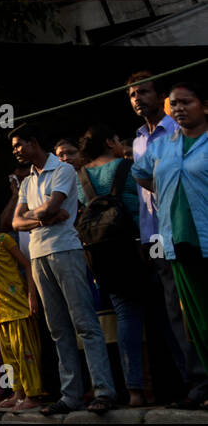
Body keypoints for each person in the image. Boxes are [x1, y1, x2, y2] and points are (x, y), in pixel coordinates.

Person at [11, 124, 116, 414]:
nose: (16, 151)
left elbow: (46, 209)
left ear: (34, 142)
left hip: (66, 251)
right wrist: (43, 218)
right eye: (14, 147)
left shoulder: (63, 170)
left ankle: (104, 391)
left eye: (20, 145)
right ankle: (70, 396)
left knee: (85, 323)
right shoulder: (27, 182)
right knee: (58, 329)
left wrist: (40, 215)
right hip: (38, 255)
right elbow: (16, 223)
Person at [129, 72, 208, 407]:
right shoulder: (161, 145)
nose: (178, 109)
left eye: (186, 102)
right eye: (173, 103)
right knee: (191, 317)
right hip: (174, 240)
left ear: (205, 106)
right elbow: (140, 173)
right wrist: (169, 192)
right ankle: (202, 386)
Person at [78, 123, 149, 405]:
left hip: (101, 253)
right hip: (136, 244)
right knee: (154, 314)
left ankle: (133, 390)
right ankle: (154, 385)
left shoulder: (82, 176)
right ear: (110, 142)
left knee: (124, 315)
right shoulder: (126, 166)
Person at [0, 203, 45, 412]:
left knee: (25, 351)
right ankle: (18, 394)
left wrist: (32, 295)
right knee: (9, 355)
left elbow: (27, 265)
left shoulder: (4, 240)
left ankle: (33, 394)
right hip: (0, 307)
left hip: (18, 304)